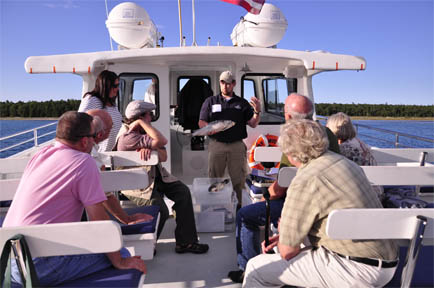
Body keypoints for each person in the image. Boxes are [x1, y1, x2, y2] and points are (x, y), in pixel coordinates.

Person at [242, 119, 398, 288]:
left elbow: (287, 252)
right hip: (388, 262)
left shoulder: (305, 179)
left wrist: (284, 238)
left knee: (255, 269)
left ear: (291, 153)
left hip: (356, 270)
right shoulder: (345, 163)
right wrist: (288, 236)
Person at [3, 111, 147, 286]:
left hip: (9, 257)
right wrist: (120, 261)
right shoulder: (83, 162)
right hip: (35, 266)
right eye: (94, 137)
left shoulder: (40, 155)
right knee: (120, 251)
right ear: (85, 141)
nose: (94, 142)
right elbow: (98, 222)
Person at [228, 92, 340, 283]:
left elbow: (282, 188)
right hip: (330, 204)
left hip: (300, 206)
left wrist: (266, 198)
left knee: (245, 216)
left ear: (288, 117)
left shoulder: (295, 138)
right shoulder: (328, 134)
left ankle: (249, 268)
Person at [116, 100, 209, 254]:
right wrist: (146, 132)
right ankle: (144, 246)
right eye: (149, 115)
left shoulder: (144, 133)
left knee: (183, 193)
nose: (151, 118)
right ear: (140, 117)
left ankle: (185, 242)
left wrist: (150, 149)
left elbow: (164, 155)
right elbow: (162, 141)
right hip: (138, 184)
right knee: (161, 210)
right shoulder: (128, 137)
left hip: (156, 177)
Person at [198, 70, 261, 206]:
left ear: (234, 84)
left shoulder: (242, 103)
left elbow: (253, 123)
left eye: (229, 83)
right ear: (219, 83)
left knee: (238, 179)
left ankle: (238, 206)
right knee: (215, 177)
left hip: (237, 146)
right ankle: (215, 204)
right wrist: (210, 129)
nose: (225, 86)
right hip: (217, 144)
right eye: (223, 83)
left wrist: (257, 111)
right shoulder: (210, 101)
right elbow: (201, 122)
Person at [86, 109, 153, 224]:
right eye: (111, 128)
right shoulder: (87, 161)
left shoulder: (46, 153)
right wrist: (126, 222)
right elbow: (99, 200)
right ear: (101, 134)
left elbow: (104, 194)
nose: (113, 131)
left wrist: (126, 219)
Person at [78, 70, 122, 152]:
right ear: (105, 86)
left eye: (118, 85)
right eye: (115, 86)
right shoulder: (92, 100)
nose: (117, 89)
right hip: (96, 154)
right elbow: (78, 124)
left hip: (109, 154)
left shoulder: (112, 104)